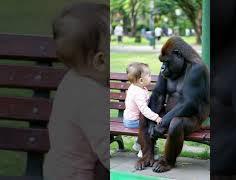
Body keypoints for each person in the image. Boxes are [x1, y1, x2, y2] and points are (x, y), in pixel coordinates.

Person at [43, 3, 108, 180]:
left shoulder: (72, 79)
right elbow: (107, 151)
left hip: (55, 169)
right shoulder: (92, 96)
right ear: (100, 61)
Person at [123, 62, 161, 158]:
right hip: (133, 121)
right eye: (148, 75)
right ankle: (143, 150)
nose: (150, 77)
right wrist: (156, 118)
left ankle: (137, 144)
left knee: (147, 123)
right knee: (150, 126)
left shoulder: (136, 87)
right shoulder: (138, 93)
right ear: (140, 80)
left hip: (129, 118)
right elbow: (144, 110)